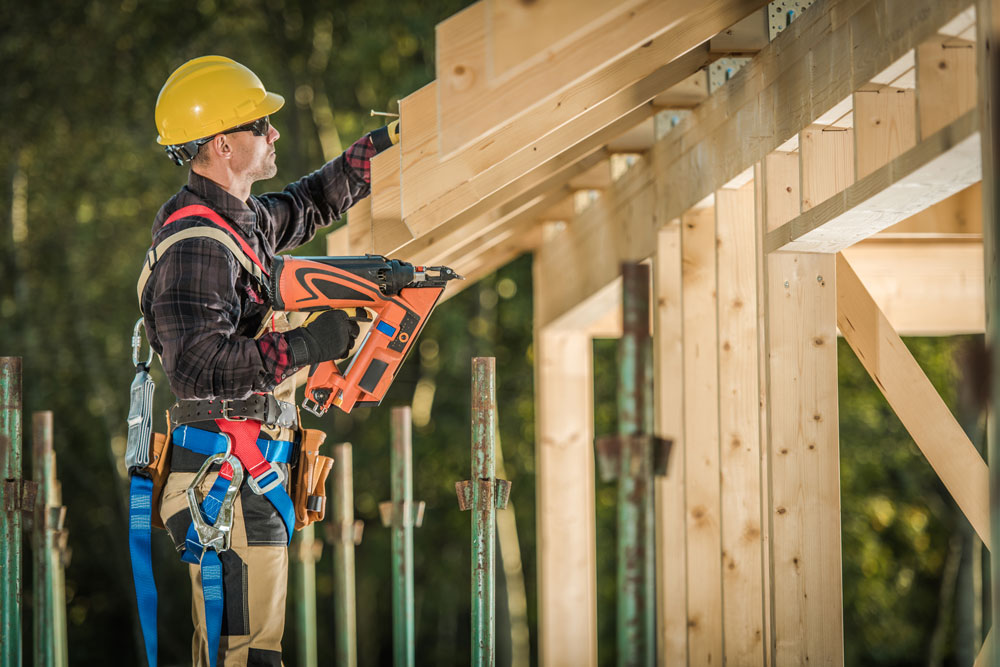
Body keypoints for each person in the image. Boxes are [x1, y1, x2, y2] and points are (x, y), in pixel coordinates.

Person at [138, 55, 397, 666]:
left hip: (243, 472)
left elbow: (310, 202)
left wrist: (382, 146)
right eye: (260, 125)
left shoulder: (239, 222)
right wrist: (310, 345)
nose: (274, 132)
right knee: (246, 656)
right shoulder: (197, 244)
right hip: (225, 479)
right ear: (223, 144)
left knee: (241, 652)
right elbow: (198, 369)